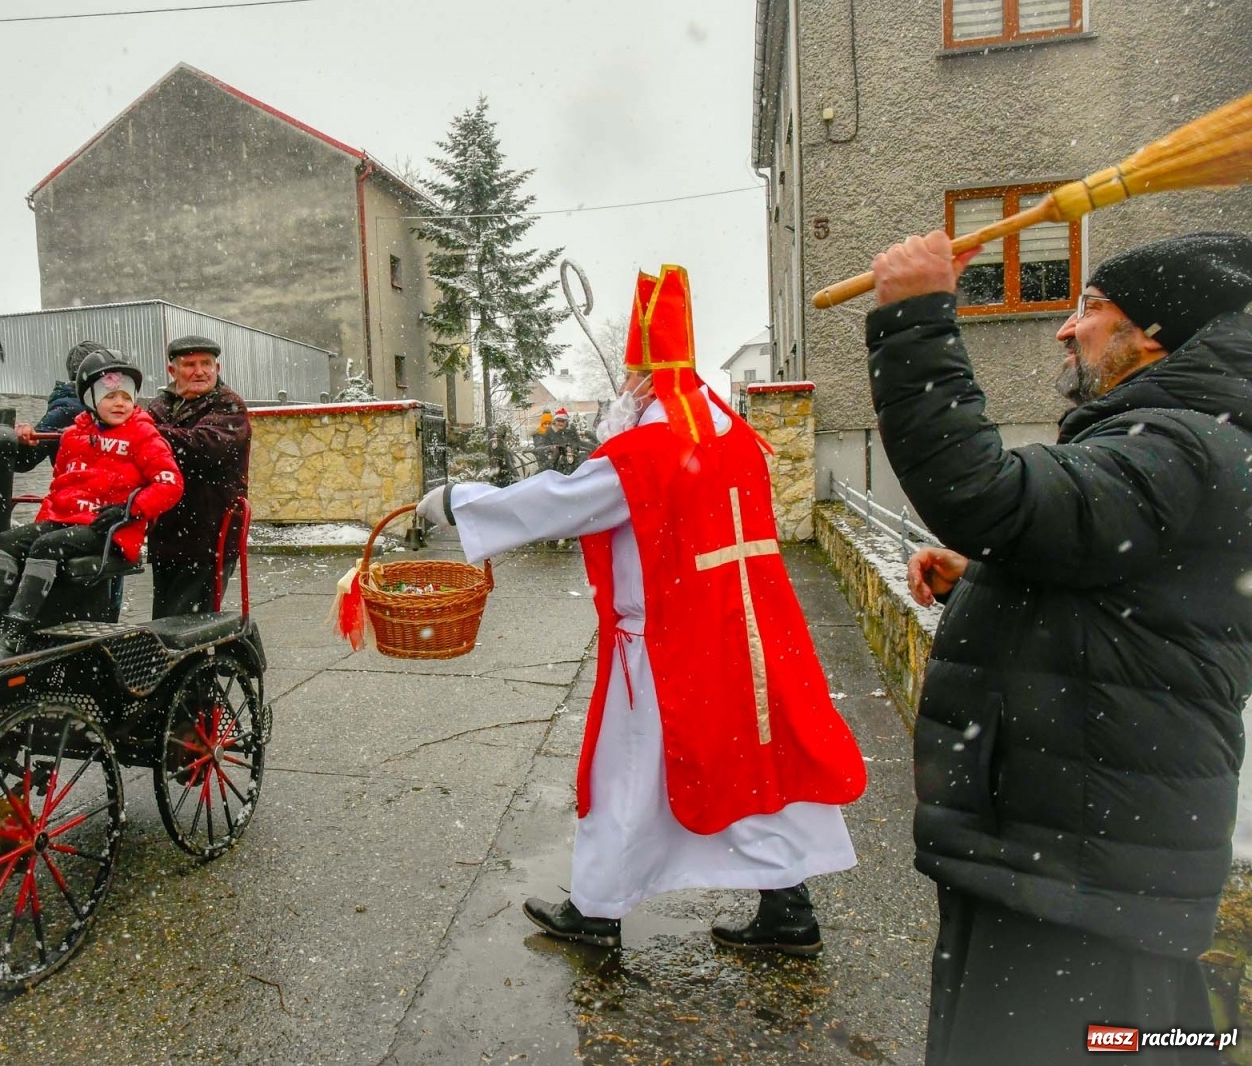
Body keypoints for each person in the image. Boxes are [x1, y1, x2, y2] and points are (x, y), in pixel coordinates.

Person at [865, 230, 1252, 1065]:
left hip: (1081, 877)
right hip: (1071, 857)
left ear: (1154, 331)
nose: (1066, 329)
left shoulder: (1178, 443)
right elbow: (1127, 601)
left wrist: (918, 319)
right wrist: (988, 576)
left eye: (1091, 309)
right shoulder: (1172, 436)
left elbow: (983, 494)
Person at [416, 265, 866, 950]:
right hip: (744, 633)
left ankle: (597, 911)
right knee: (748, 762)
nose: (620, 391)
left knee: (624, 772)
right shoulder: (733, 434)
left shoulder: (651, 449)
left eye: (629, 377)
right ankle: (790, 907)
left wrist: (460, 503)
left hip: (666, 643)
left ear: (645, 378)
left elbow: (563, 499)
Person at [0, 351, 181, 661]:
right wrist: (40, 524)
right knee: (7, 541)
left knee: (47, 547)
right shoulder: (74, 435)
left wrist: (131, 510)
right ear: (89, 399)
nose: (120, 403)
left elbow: (170, 484)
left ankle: (14, 634)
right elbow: (60, 485)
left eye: (126, 397)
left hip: (108, 528)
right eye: (109, 396)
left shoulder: (143, 434)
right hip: (66, 520)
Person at [146, 335, 252, 618]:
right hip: (167, 535)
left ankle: (197, 662)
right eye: (190, 364)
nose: (200, 371)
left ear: (218, 367)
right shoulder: (159, 406)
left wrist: (147, 435)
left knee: (192, 622)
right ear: (173, 371)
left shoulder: (229, 406)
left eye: (207, 363)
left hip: (209, 536)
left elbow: (203, 447)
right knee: (166, 619)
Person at [13, 339, 112, 471]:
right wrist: (21, 439)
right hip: (79, 486)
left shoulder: (110, 404)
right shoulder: (67, 409)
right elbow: (26, 459)